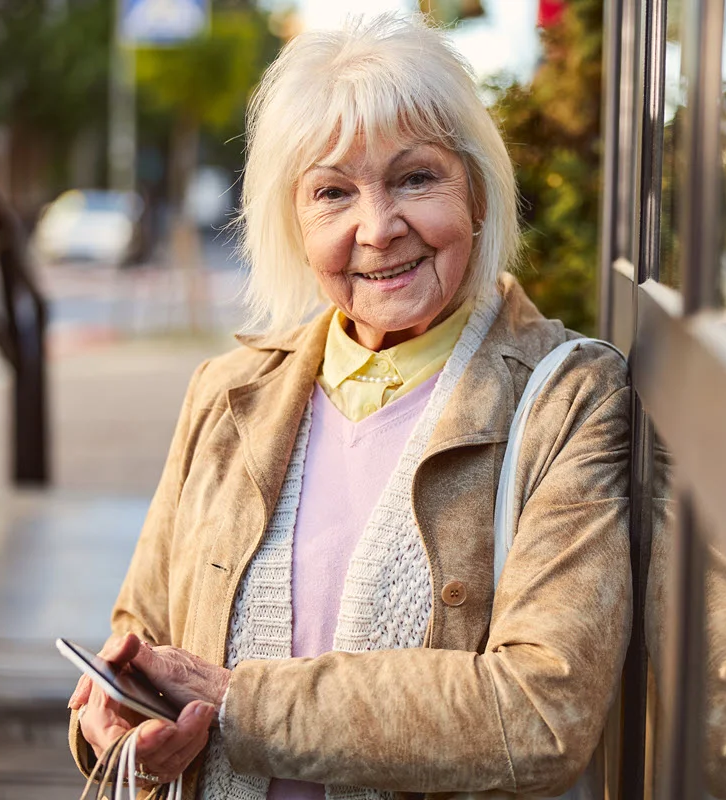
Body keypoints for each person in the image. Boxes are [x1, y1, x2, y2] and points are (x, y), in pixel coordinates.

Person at [67, 16, 632, 800]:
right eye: (333, 192)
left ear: (475, 191)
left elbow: (541, 716)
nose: (377, 228)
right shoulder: (227, 393)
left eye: (415, 178)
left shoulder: (569, 398)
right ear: (295, 226)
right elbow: (142, 635)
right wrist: (113, 723)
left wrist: (236, 704)